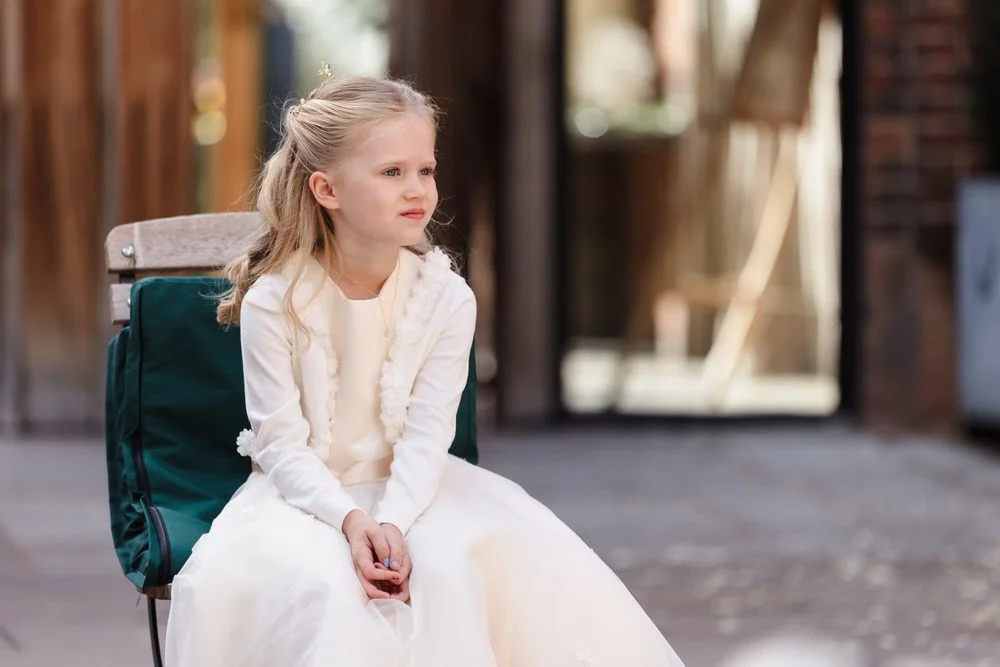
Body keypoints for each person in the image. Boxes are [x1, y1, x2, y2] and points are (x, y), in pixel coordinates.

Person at [164, 71, 686, 667]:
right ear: (326, 189)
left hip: (415, 490)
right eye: (392, 173)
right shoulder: (276, 300)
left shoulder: (445, 297)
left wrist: (392, 521)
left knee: (458, 565)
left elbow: (428, 435)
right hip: (305, 499)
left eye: (426, 170)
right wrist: (354, 522)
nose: (417, 189)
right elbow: (281, 445)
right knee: (322, 585)